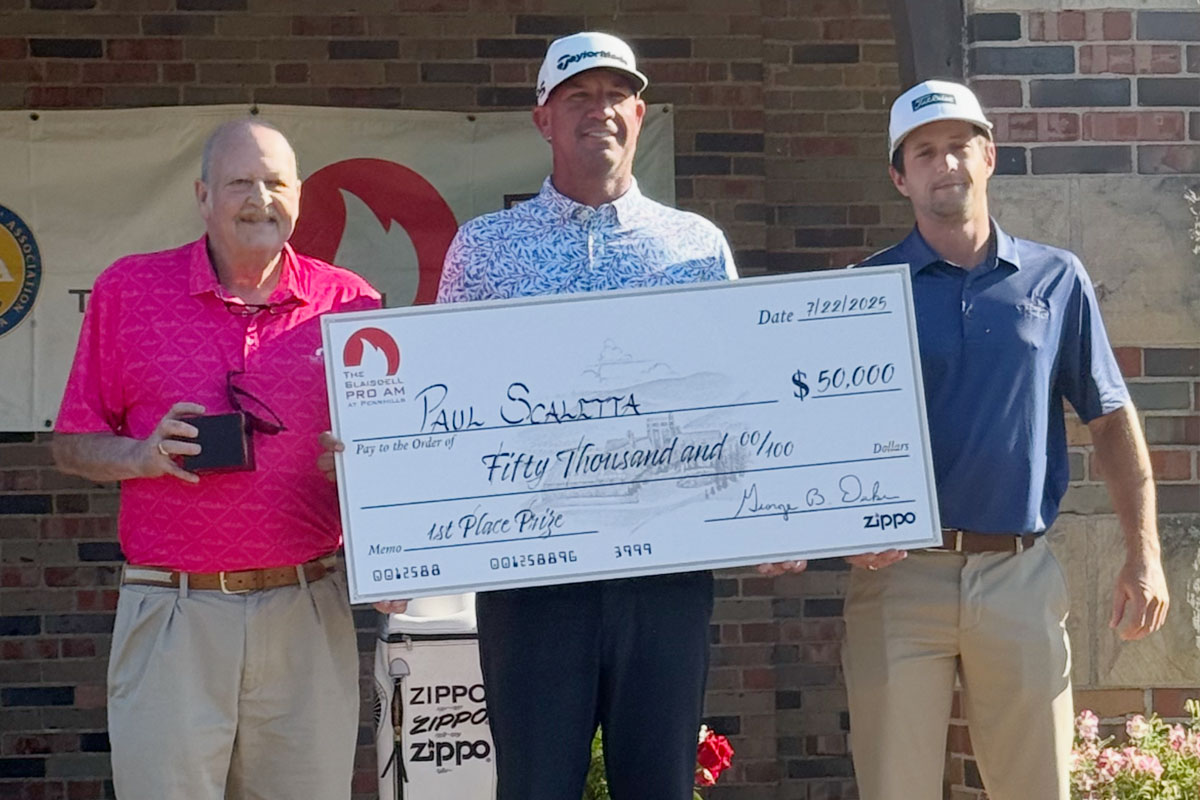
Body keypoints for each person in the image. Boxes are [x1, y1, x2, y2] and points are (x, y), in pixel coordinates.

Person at [430, 31, 807, 800]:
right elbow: (446, 411)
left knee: (659, 787)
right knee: (534, 787)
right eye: (577, 96)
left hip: (664, 575)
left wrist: (775, 516)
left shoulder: (696, 246)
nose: (598, 110)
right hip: (530, 582)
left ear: (639, 113)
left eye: (614, 96)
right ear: (543, 118)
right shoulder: (484, 250)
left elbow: (737, 401)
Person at [842, 79, 1170, 800]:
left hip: (1018, 574)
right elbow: (829, 434)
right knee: (896, 789)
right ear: (900, 176)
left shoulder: (1056, 279)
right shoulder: (862, 290)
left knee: (1037, 789)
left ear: (988, 156)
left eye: (959, 146)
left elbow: (1110, 418)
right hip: (898, 578)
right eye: (924, 152)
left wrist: (1143, 555)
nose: (945, 164)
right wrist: (843, 532)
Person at [52, 119, 380, 800]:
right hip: (174, 610)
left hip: (305, 606)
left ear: (299, 196)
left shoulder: (350, 303)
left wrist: (362, 468)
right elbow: (71, 443)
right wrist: (141, 456)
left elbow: (391, 458)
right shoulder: (128, 291)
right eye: (240, 183)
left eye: (276, 182)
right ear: (204, 196)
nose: (260, 198)